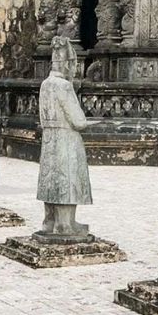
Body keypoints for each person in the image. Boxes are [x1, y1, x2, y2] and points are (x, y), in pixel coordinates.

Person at [36, 36, 98, 237]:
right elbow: (78, 120)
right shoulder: (63, 86)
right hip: (66, 138)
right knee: (67, 178)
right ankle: (65, 223)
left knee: (51, 178)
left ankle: (50, 220)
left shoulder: (46, 83)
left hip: (49, 138)